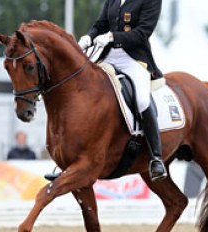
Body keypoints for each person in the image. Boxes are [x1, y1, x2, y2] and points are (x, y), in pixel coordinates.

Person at [78, 0, 167, 181]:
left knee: (142, 99)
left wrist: (113, 37)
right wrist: (89, 36)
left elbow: (142, 33)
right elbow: (101, 24)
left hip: (134, 58)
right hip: (108, 56)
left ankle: (156, 158)